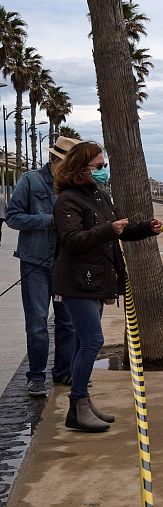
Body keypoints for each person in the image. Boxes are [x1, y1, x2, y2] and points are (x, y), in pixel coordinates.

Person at [52, 141, 163, 432]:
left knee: (82, 343)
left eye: (105, 166)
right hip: (77, 283)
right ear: (81, 169)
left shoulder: (99, 197)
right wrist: (108, 230)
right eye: (99, 167)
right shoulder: (68, 201)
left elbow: (117, 232)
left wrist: (144, 228)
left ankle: (83, 404)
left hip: (97, 281)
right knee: (92, 341)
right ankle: (77, 404)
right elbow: (72, 240)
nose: (104, 171)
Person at [5, 137, 79, 396]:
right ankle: (35, 376)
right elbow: (12, 217)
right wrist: (50, 220)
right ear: (55, 159)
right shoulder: (30, 181)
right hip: (35, 262)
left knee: (67, 322)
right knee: (36, 322)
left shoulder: (74, 185)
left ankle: (64, 372)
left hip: (66, 264)